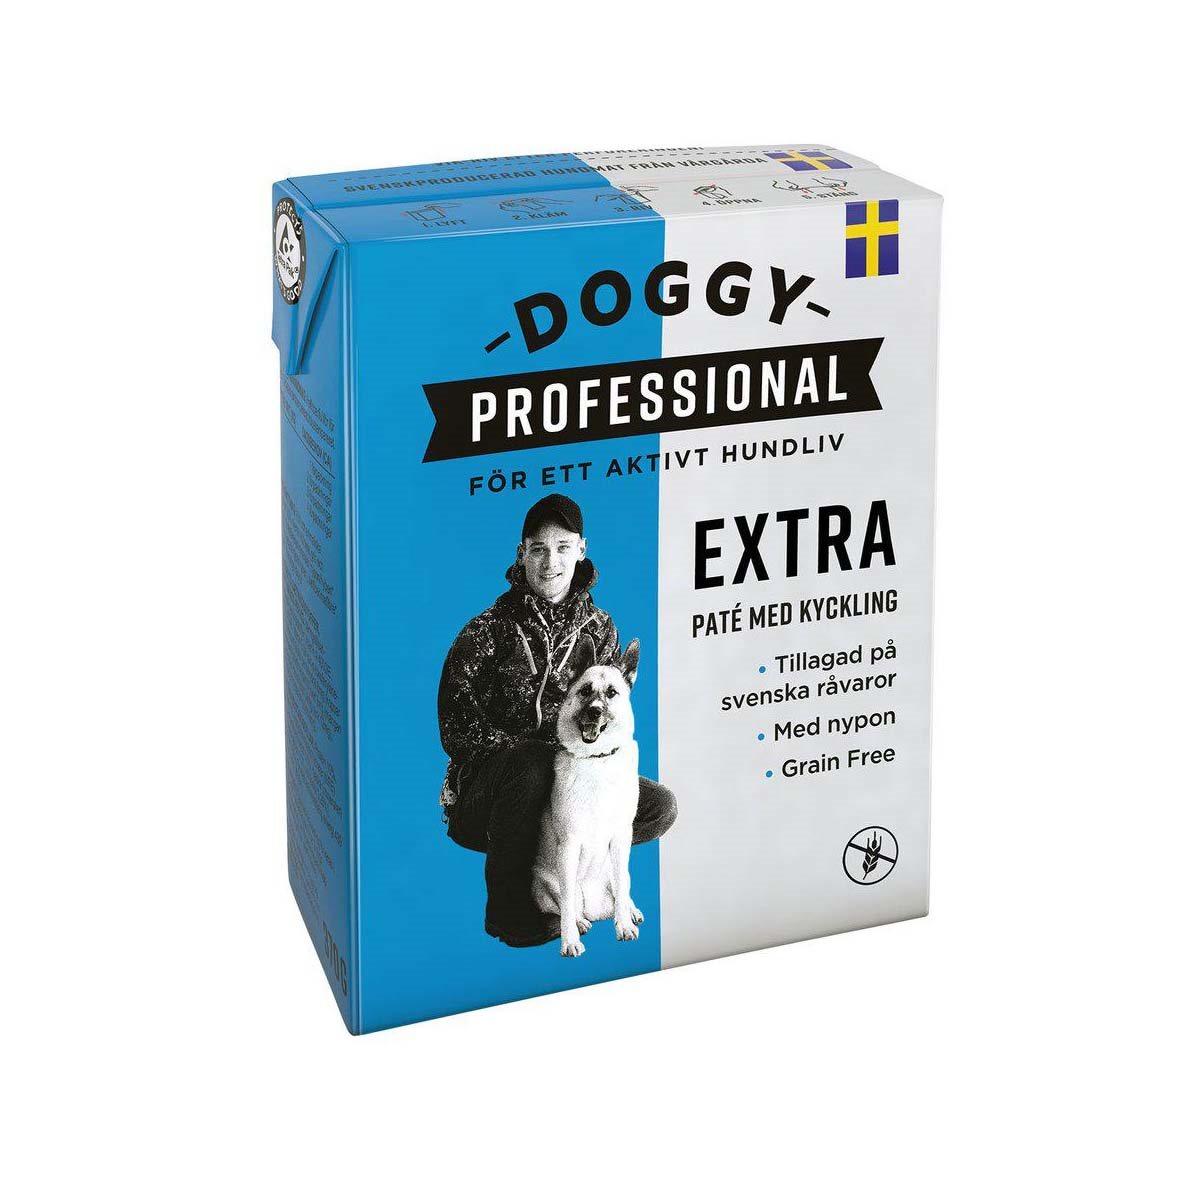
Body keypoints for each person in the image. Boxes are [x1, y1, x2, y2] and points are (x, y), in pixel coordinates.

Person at [438, 493, 677, 947]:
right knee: (532, 765)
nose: (551, 562)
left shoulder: (600, 629)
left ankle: (569, 879)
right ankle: (510, 912)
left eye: (563, 547)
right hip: (489, 795)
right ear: (521, 553)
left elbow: (608, 717)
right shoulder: (488, 629)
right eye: (539, 549)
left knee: (656, 805)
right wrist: (535, 753)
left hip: (570, 781)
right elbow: (455, 725)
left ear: (581, 550)